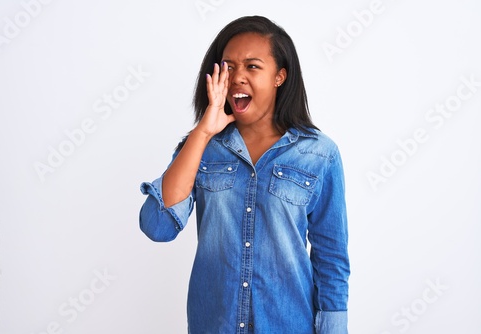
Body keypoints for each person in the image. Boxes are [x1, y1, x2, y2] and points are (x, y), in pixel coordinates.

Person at [139, 15, 350, 334]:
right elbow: (158, 226)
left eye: (252, 66)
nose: (238, 77)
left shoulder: (319, 154)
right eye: (229, 66)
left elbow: (331, 256)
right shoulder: (201, 148)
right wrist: (203, 132)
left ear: (279, 76)